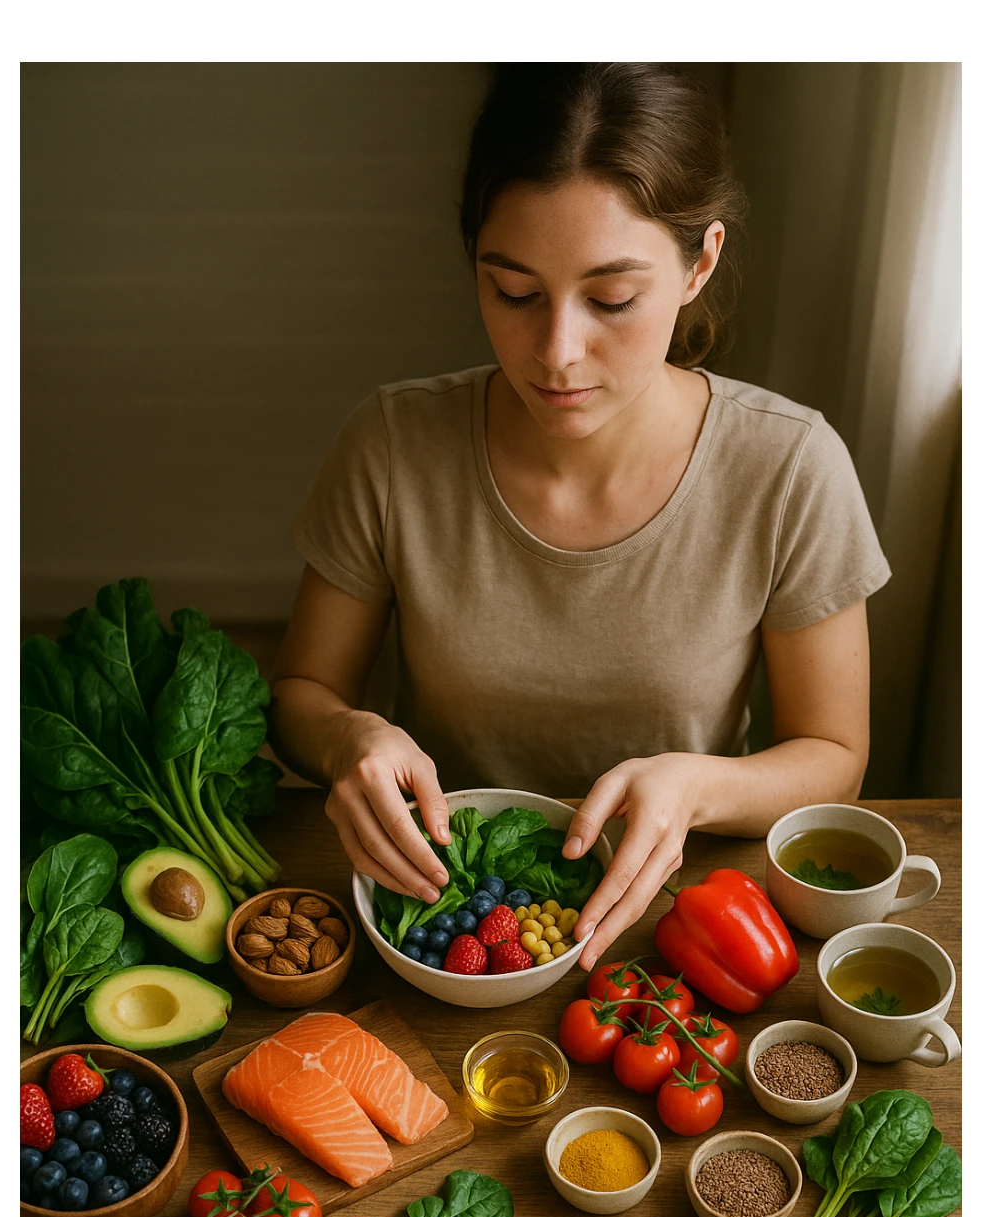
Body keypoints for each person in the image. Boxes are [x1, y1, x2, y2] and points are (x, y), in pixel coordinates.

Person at [269, 63, 890, 972]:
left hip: (684, 926)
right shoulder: (392, 444)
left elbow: (835, 752)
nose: (557, 353)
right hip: (438, 918)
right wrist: (346, 739)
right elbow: (297, 698)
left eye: (612, 300)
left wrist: (698, 787)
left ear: (699, 264)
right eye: (513, 292)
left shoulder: (790, 466)